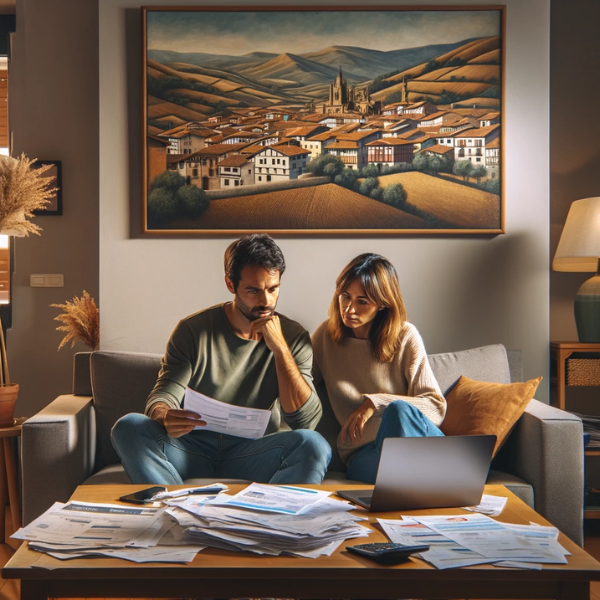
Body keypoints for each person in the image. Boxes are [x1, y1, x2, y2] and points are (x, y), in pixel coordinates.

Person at [111, 234, 330, 485]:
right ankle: (176, 508)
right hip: (191, 449)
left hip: (254, 452)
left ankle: (272, 522)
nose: (266, 301)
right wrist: (164, 415)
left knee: (314, 445)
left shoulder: (294, 337)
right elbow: (163, 395)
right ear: (230, 284)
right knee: (128, 427)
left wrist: (280, 349)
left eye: (273, 289)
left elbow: (306, 422)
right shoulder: (193, 330)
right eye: (253, 291)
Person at [311, 253, 446, 484]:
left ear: (382, 304)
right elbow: (298, 384)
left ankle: (427, 479)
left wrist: (375, 403)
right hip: (366, 454)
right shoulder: (326, 336)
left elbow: (436, 407)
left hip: (417, 442)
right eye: (345, 297)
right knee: (396, 471)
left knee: (398, 411)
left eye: (362, 301)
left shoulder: (405, 336)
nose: (349, 309)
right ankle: (434, 481)